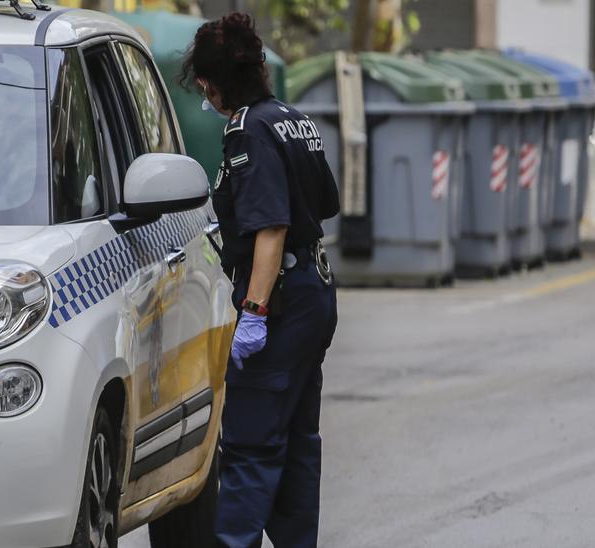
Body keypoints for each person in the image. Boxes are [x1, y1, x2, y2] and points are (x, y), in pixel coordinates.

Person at [180, 12, 341, 548]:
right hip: (312, 295)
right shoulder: (294, 119)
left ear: (211, 81)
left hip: (279, 303)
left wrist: (253, 311)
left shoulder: (246, 128)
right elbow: (324, 204)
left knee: (249, 446)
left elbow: (271, 226)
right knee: (297, 443)